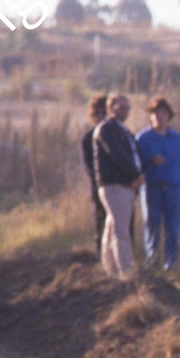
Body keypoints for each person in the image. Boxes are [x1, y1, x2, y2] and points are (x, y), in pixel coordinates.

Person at [91, 93, 143, 278]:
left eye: (127, 107)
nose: (124, 111)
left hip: (123, 184)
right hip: (115, 185)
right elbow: (116, 155)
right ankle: (126, 271)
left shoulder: (122, 130)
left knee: (112, 226)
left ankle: (109, 268)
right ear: (110, 109)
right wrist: (135, 175)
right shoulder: (108, 129)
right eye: (120, 107)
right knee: (122, 230)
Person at [135, 96, 180, 271]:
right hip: (152, 188)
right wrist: (150, 162)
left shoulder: (177, 138)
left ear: (169, 116)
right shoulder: (143, 138)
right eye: (155, 113)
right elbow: (135, 163)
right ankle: (152, 263)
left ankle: (171, 265)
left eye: (163, 113)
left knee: (173, 228)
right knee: (152, 226)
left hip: (173, 189)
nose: (160, 116)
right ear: (150, 116)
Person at [79, 93, 108, 257]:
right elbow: (89, 167)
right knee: (101, 220)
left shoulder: (117, 134)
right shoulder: (88, 138)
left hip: (118, 187)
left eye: (104, 113)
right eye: (97, 113)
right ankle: (100, 255)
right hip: (99, 187)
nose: (101, 117)